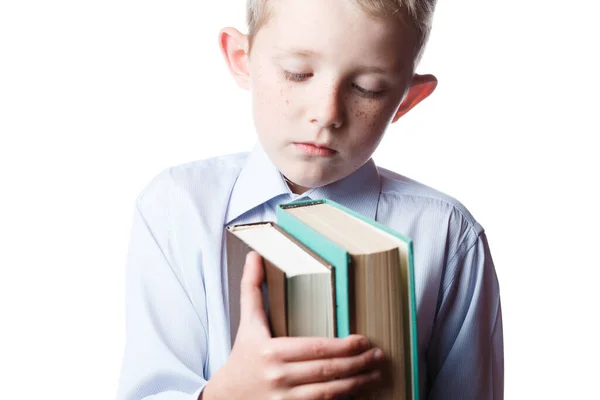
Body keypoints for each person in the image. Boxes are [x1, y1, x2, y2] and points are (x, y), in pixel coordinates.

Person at [115, 0, 504, 399]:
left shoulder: (447, 234)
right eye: (296, 73)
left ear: (406, 98)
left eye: (367, 88)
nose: (326, 113)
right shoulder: (177, 208)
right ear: (241, 59)